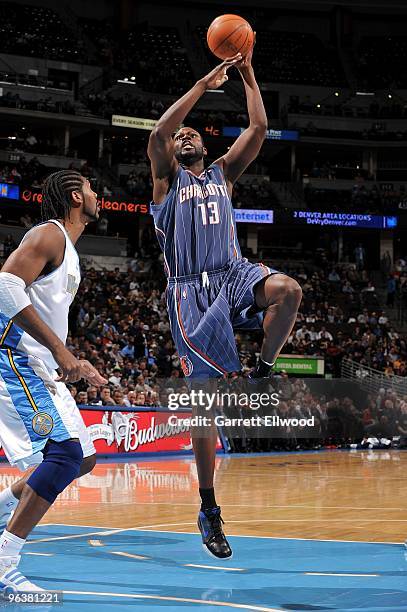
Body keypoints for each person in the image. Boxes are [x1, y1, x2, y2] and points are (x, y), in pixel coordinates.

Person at [147, 49, 302, 559]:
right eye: (180, 134)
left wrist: (250, 73)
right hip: (191, 293)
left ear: (205, 145)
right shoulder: (167, 184)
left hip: (232, 274)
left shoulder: (221, 176)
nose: (184, 135)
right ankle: (209, 506)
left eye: (192, 133)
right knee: (203, 406)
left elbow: (258, 130)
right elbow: (156, 136)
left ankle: (261, 368)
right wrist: (202, 84)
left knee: (289, 291)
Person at [0, 170, 107, 592]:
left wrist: (70, 358)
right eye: (93, 190)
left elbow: (42, 308)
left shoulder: (68, 247)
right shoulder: (49, 235)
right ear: (77, 196)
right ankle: (5, 565)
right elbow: (5, 286)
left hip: (40, 367)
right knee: (62, 458)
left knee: (81, 459)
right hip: (14, 360)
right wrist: (61, 351)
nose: (99, 195)